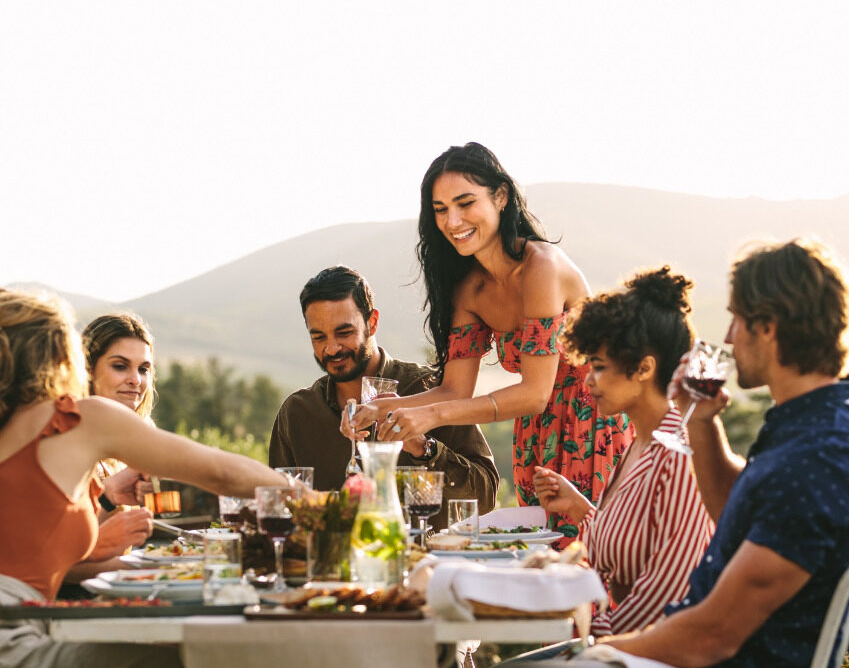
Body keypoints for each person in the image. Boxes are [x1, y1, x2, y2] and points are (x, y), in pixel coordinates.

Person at [590, 239, 849, 667]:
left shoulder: (824, 456)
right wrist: (702, 423)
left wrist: (596, 653)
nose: (728, 337)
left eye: (737, 320)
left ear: (767, 326)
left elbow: (713, 637)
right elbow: (734, 510)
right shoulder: (812, 419)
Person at [0, 288, 293, 667]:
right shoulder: (78, 419)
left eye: (143, 368)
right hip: (14, 637)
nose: (134, 380)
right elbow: (219, 471)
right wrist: (300, 492)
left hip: (30, 624)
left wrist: (105, 504)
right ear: (62, 357)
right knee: (205, 658)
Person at [352, 142, 629, 539]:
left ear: (500, 197)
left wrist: (431, 417)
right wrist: (383, 409)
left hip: (595, 425)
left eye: (465, 203)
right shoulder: (470, 289)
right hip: (537, 435)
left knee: (593, 556)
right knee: (540, 561)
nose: (453, 220)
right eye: (441, 209)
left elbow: (535, 392)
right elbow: (453, 388)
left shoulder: (541, 268)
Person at [533, 267, 713, 635]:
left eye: (598, 367)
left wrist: (576, 632)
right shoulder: (640, 443)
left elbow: (666, 599)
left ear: (644, 368)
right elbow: (632, 545)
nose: (588, 380)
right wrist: (581, 508)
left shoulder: (679, 455)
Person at [268, 266, 499, 528]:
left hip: (429, 563)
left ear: (373, 322)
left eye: (344, 333)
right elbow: (279, 509)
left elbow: (486, 495)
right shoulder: (297, 413)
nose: (331, 348)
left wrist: (426, 450)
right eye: (318, 337)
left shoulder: (432, 390)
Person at [61, 313, 160, 589]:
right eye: (120, 366)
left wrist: (113, 498)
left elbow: (98, 540)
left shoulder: (126, 443)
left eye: (143, 369)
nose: (136, 380)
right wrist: (155, 567)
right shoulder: (66, 438)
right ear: (88, 369)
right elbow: (59, 562)